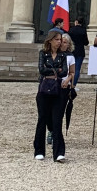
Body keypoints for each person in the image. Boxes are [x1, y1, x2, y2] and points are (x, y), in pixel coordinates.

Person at [33, 31, 72, 162]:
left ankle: (59, 152)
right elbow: (41, 70)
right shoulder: (43, 53)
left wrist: (52, 70)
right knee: (42, 119)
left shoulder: (63, 55)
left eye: (60, 39)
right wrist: (57, 70)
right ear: (50, 41)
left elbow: (65, 72)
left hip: (58, 89)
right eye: (57, 39)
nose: (59, 42)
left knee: (57, 120)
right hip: (44, 89)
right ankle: (39, 150)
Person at [68, 18, 89, 86]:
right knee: (77, 69)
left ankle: (69, 82)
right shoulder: (83, 30)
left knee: (69, 68)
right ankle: (73, 84)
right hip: (80, 51)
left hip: (71, 50)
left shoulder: (71, 30)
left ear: (76, 22)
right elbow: (86, 42)